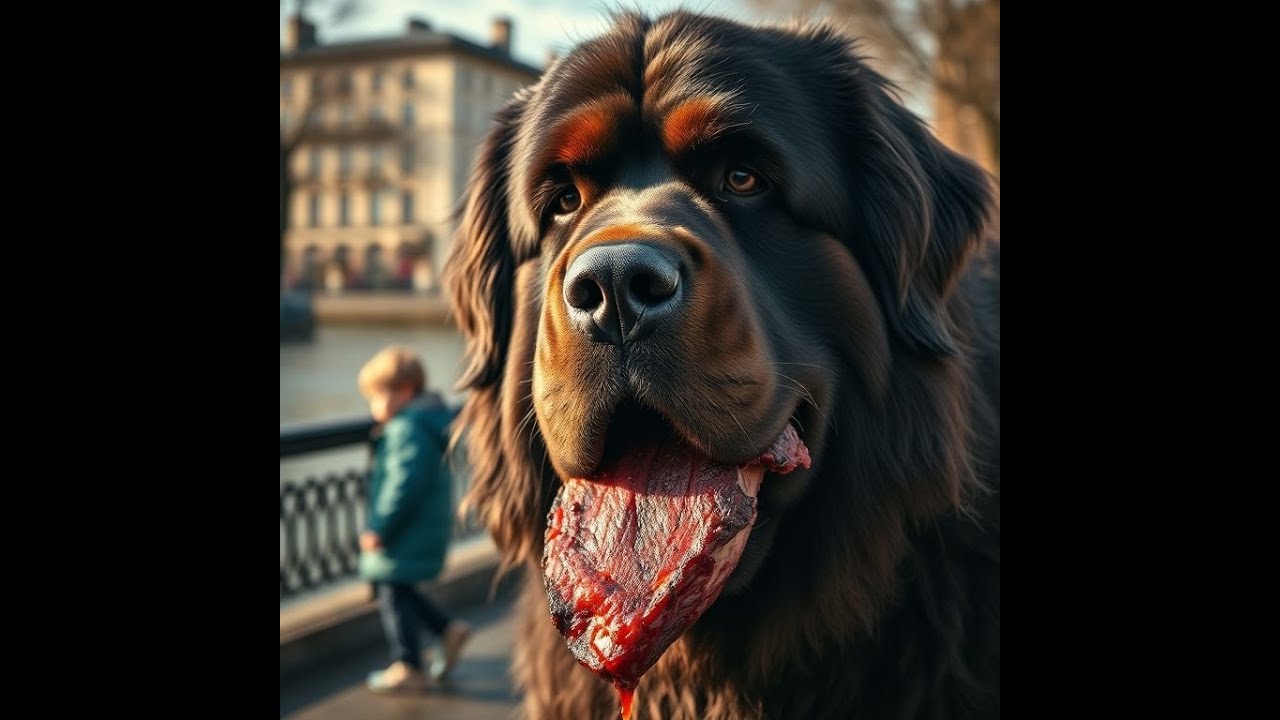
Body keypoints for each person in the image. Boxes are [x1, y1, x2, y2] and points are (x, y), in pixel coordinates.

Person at [356, 345, 471, 693]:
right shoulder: (426, 422)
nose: (372, 406)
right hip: (421, 526)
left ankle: (408, 664)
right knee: (399, 589)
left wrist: (380, 527)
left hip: (405, 530)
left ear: (404, 393)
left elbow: (402, 485)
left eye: (376, 396)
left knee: (393, 592)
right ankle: (446, 630)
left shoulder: (406, 429)